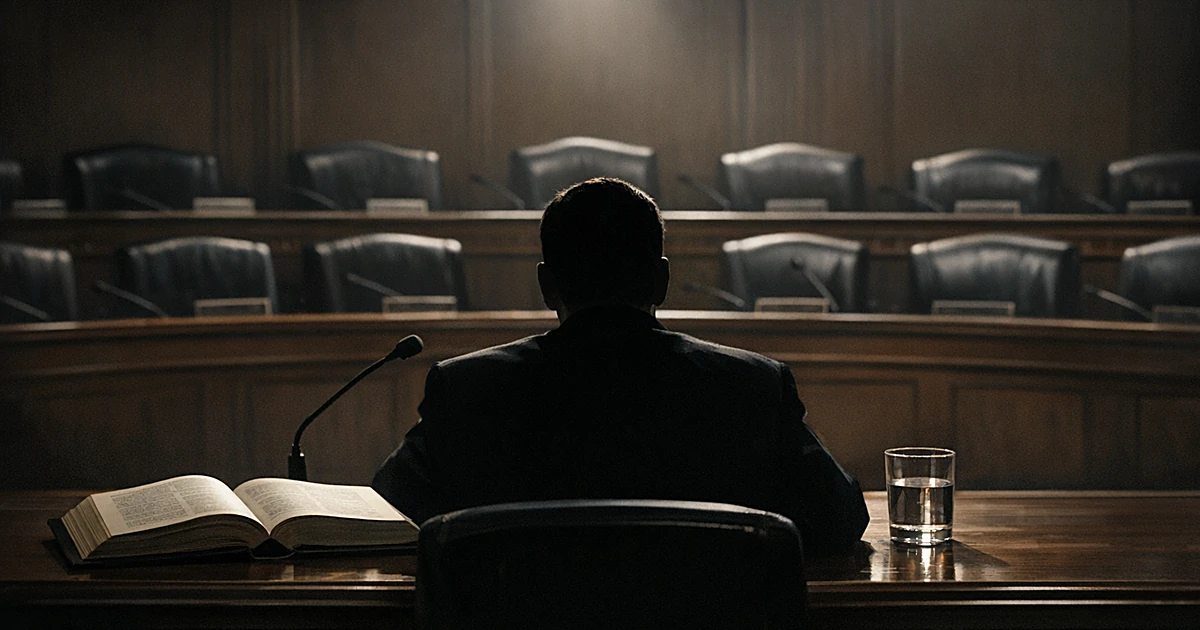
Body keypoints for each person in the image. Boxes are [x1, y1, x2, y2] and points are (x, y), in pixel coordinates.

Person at [373, 177, 868, 555]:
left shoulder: (465, 389)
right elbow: (840, 520)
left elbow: (383, 514)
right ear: (662, 281)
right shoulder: (752, 387)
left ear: (547, 286)